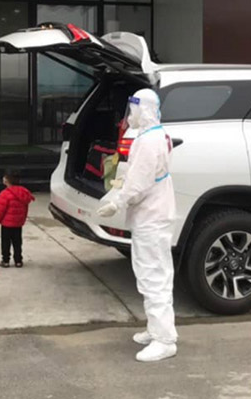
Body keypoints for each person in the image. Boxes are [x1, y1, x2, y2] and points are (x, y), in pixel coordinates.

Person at [97, 89, 178, 363]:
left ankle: (164, 340)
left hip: (151, 217)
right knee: (152, 274)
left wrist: (116, 203)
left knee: (153, 276)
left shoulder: (148, 141)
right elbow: (135, 176)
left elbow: (139, 183)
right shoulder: (153, 135)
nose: (129, 115)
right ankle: (156, 328)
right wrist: (116, 191)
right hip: (154, 214)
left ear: (143, 110)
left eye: (132, 109)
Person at [0, 171, 35, 268]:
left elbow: (0, 210)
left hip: (6, 224)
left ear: (7, 180)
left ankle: (5, 260)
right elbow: (25, 209)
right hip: (18, 224)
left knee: (6, 242)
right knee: (17, 242)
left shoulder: (5, 194)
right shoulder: (24, 192)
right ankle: (18, 260)